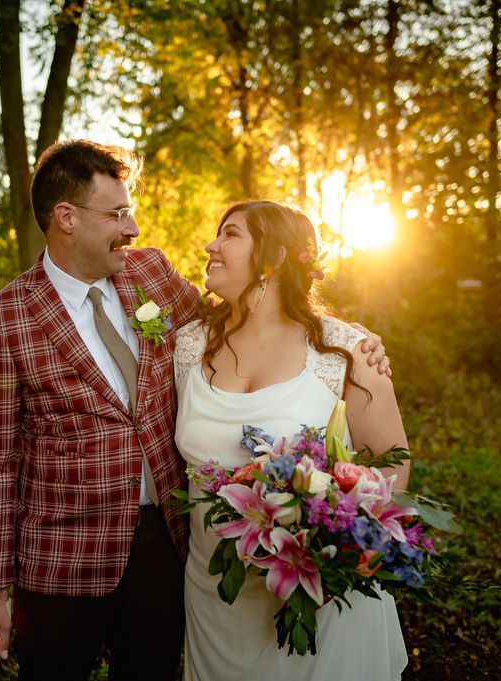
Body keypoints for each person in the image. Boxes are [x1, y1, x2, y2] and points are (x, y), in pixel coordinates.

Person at [0, 140, 390, 681]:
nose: (133, 227)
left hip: (168, 547)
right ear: (66, 217)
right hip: (61, 557)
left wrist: (347, 339)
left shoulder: (153, 276)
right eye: (117, 213)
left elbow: (251, 317)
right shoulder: (4, 317)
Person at [173, 200, 410, 681]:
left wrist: (334, 535)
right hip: (215, 596)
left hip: (316, 595)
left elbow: (392, 464)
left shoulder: (345, 350)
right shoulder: (188, 344)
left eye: (231, 234)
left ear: (274, 258)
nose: (210, 245)